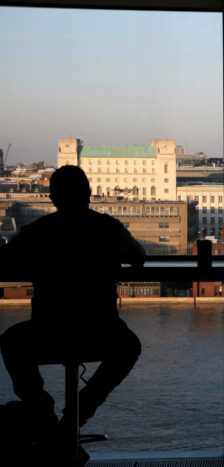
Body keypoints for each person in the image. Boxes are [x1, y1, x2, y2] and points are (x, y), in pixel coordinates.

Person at [0, 165, 144, 462]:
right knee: (130, 346)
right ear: (89, 194)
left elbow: (5, 261)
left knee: (11, 342)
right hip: (100, 330)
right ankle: (77, 415)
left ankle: (46, 418)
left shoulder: (38, 231)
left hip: (49, 331)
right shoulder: (108, 227)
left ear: (53, 198)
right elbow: (138, 258)